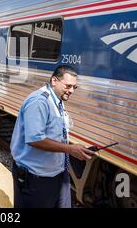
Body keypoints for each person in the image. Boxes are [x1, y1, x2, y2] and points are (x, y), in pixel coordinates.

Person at [10, 65, 96, 208]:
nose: (71, 91)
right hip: (35, 179)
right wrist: (70, 149)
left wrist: (77, 150)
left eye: (75, 87)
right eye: (68, 86)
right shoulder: (39, 102)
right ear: (54, 81)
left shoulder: (57, 100)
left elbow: (57, 133)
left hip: (56, 174)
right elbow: (35, 139)